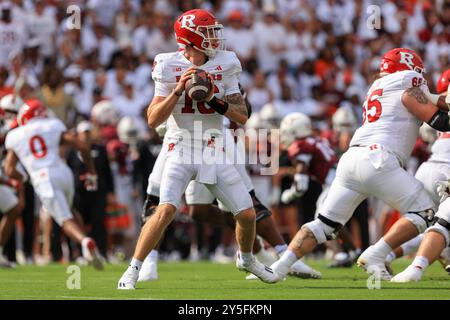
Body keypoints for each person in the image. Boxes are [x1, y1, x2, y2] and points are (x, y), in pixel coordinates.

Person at [117, 9, 278, 290]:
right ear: (191, 38)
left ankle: (248, 259)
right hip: (180, 145)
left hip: (214, 146)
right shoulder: (168, 64)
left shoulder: (226, 62)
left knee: (247, 214)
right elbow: (153, 118)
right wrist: (179, 90)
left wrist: (213, 98)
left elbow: (241, 116)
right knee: (166, 209)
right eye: (209, 32)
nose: (216, 37)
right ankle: (133, 269)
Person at [268, 48, 450, 282]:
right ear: (408, 69)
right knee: (425, 212)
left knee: (324, 224)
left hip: (351, 159)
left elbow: (429, 99)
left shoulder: (378, 87)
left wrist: (442, 99)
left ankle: (279, 268)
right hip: (379, 159)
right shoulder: (406, 82)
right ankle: (377, 253)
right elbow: (441, 122)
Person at [3, 99, 104, 270]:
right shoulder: (53, 124)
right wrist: (92, 172)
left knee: (64, 219)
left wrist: (25, 178)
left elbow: (9, 169)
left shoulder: (15, 135)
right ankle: (86, 250)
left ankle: (85, 242)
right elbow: (82, 147)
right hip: (63, 173)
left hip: (43, 178)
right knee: (70, 210)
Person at [389, 69, 450, 282]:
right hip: (446, 167)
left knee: (425, 222)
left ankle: (382, 252)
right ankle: (417, 266)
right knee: (443, 225)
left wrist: (429, 95)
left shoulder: (437, 102)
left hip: (430, 166)